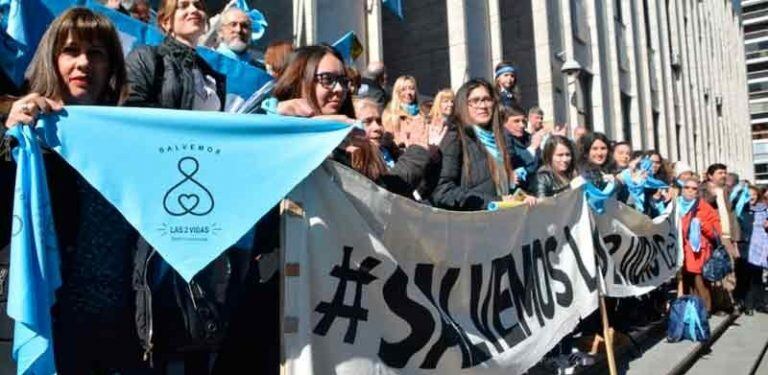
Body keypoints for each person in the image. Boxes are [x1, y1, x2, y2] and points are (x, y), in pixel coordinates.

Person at [0, 8, 151, 373]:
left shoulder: (136, 138)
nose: (83, 63)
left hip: (124, 331)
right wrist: (8, 143)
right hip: (53, 323)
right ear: (52, 60)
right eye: (71, 51)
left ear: (112, 66)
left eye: (96, 54)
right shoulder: (25, 128)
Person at [431, 79, 536, 211]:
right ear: (464, 105)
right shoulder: (455, 137)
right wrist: (494, 202)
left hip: (502, 221)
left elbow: (505, 184)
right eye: (475, 101)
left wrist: (522, 197)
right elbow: (443, 192)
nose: (482, 106)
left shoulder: (501, 138)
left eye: (487, 99)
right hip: (473, 224)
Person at [125, 0, 226, 111]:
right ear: (166, 22)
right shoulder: (145, 57)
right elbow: (131, 110)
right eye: (183, 6)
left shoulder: (212, 75)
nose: (194, 10)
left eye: (198, 6)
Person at [348, 97, 439, 198]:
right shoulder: (352, 161)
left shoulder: (392, 151)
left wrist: (432, 160)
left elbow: (415, 190)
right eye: (367, 122)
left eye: (379, 121)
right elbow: (385, 193)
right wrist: (417, 151)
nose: (377, 128)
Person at [678, 177, 721, 313]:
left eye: (694, 189)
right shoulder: (676, 205)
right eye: (687, 188)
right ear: (682, 190)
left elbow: (716, 232)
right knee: (685, 282)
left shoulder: (704, 207)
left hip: (698, 252)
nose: (690, 191)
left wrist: (702, 225)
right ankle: (691, 310)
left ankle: (705, 310)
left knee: (700, 282)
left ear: (698, 192)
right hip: (681, 250)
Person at [501, 104, 542, 190]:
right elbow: (514, 162)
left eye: (523, 121)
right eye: (516, 121)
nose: (522, 125)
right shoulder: (502, 140)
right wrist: (532, 148)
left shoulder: (528, 138)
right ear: (504, 123)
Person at [744, 186, 768, 314]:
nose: (751, 197)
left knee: (757, 276)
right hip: (745, 247)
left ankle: (760, 303)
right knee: (747, 277)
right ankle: (748, 305)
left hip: (760, 247)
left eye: (753, 194)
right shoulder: (742, 209)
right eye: (748, 195)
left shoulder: (763, 209)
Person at [382, 75, 425, 147]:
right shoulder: (390, 114)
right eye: (403, 89)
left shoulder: (422, 114)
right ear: (397, 92)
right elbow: (387, 141)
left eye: (411, 89)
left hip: (421, 155)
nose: (408, 93)